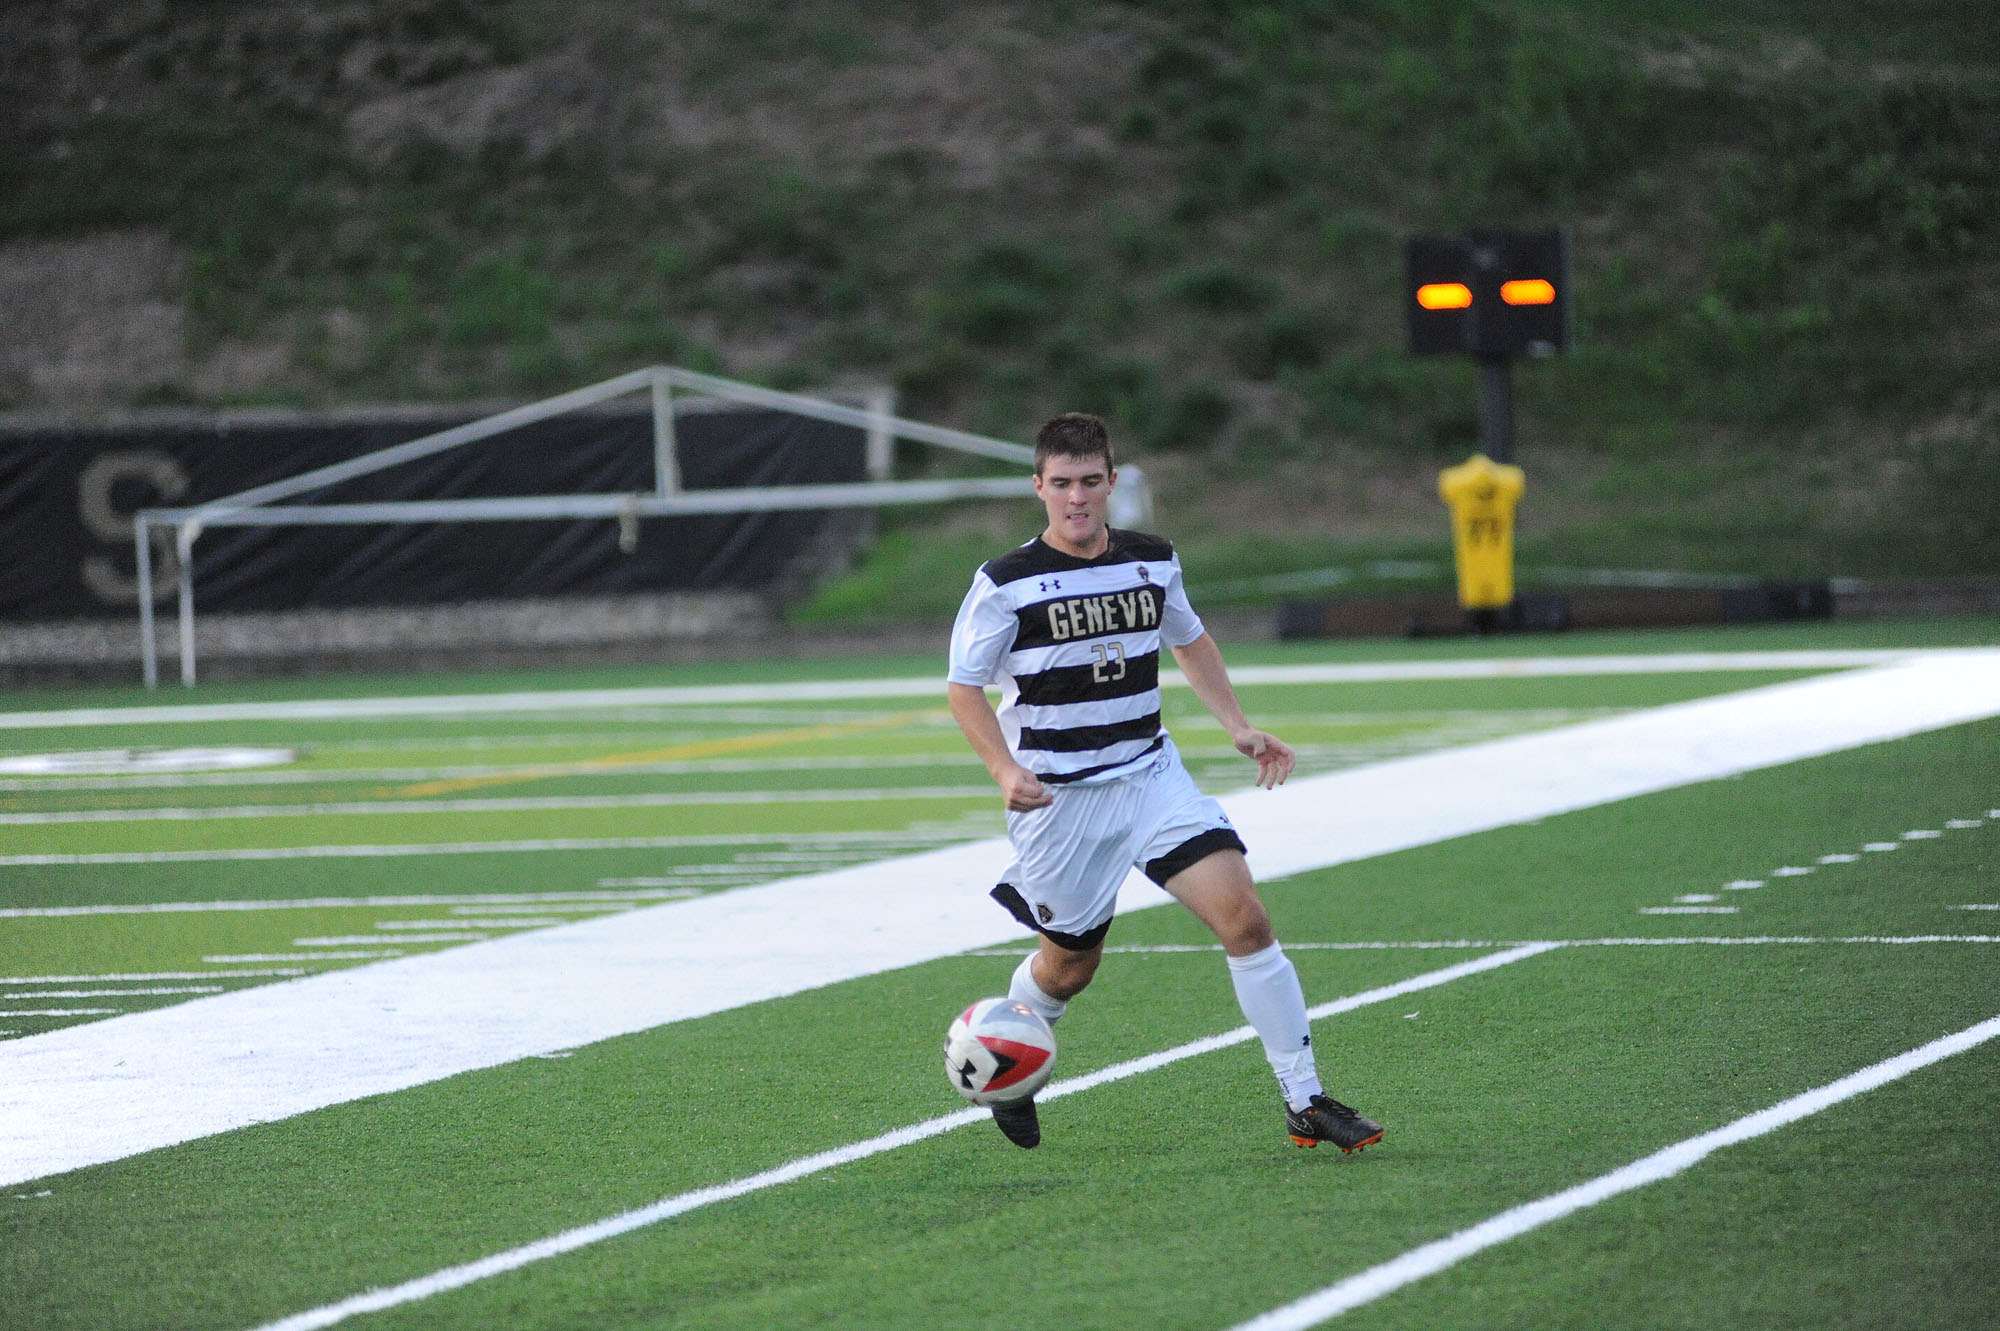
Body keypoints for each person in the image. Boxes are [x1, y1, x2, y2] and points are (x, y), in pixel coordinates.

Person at [945, 412, 1383, 1154]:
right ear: (1038, 487)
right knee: (1069, 964)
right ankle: (1007, 1055)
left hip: (1151, 776)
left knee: (1245, 919)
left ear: (1113, 483)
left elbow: (1189, 638)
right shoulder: (1004, 583)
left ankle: (1305, 1099)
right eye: (1062, 485)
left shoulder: (1153, 559)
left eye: (1091, 482)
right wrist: (1005, 768)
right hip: (1062, 802)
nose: (1077, 498)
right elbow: (964, 688)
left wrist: (1237, 724)